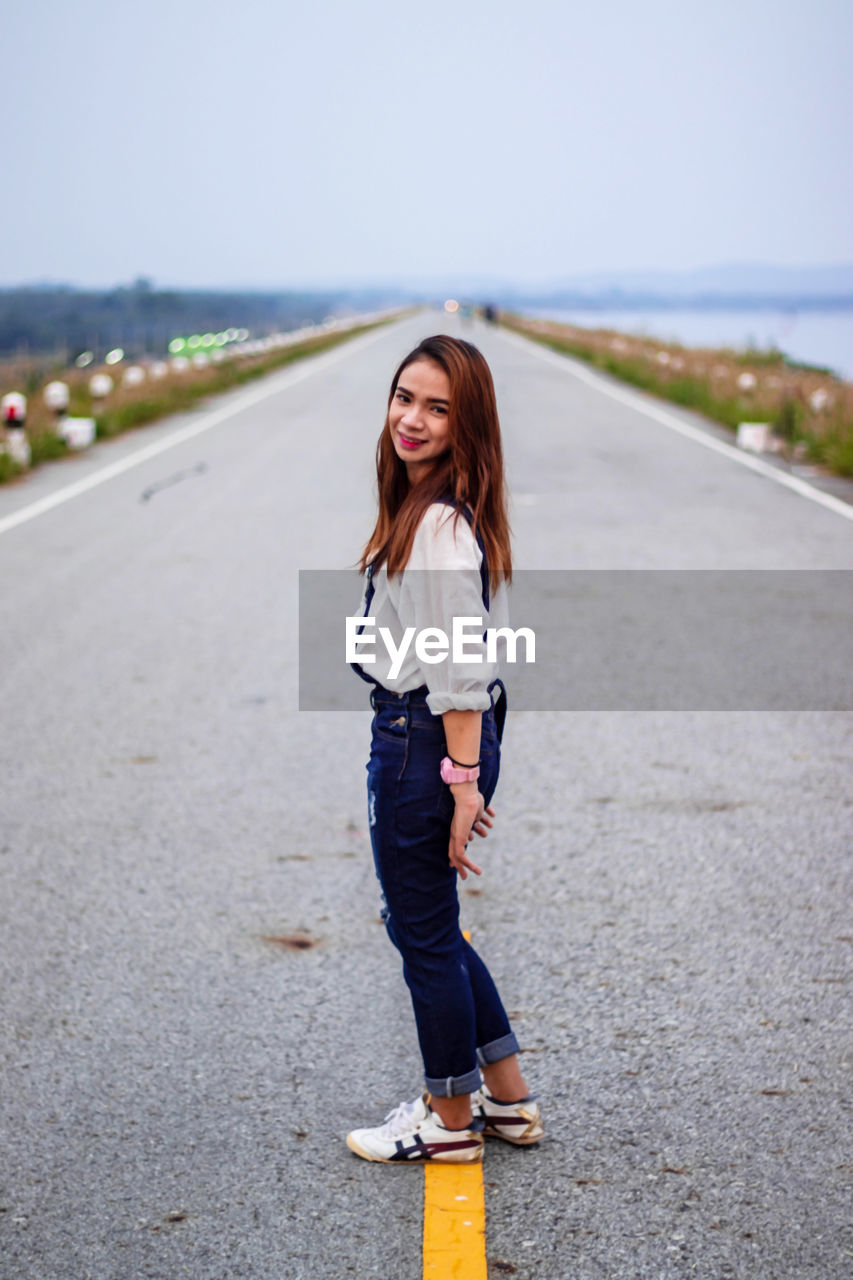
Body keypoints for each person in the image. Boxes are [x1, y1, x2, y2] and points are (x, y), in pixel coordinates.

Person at [345, 334, 544, 1164]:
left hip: (421, 739)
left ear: (467, 427)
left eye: (437, 408)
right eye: (404, 398)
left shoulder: (435, 529)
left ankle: (447, 1123)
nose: (412, 420)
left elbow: (458, 668)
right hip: (440, 739)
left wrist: (460, 782)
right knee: (430, 927)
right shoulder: (432, 510)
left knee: (423, 934)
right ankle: (506, 1100)